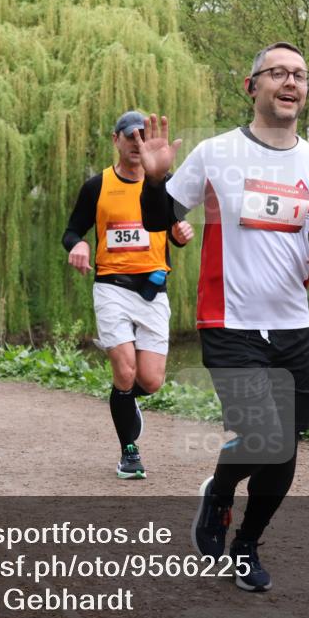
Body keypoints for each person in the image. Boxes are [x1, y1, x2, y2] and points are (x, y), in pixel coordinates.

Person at [137, 42, 309, 591]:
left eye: (300, 75)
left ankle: (247, 543)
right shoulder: (216, 154)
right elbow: (157, 219)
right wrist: (155, 179)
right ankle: (219, 494)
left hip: (292, 324)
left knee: (285, 444)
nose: (291, 82)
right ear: (251, 85)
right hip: (228, 320)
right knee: (265, 434)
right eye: (277, 72)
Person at [62, 110, 194, 480]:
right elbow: (72, 231)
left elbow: (174, 231)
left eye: (142, 137)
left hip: (153, 290)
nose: (137, 143)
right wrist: (80, 246)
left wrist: (180, 235)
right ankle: (129, 452)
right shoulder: (97, 186)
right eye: (130, 137)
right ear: (115, 140)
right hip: (112, 287)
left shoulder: (164, 185)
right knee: (124, 369)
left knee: (149, 381)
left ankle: (125, 400)